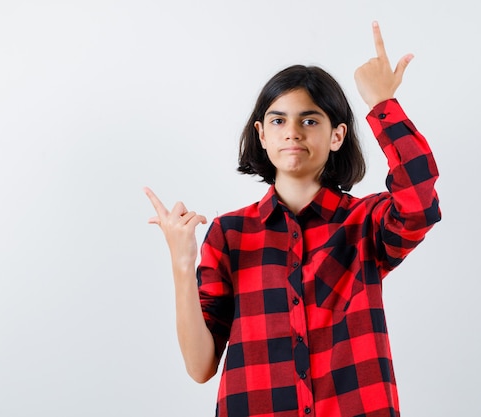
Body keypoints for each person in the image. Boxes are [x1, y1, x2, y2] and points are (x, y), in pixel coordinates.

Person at [145, 21, 440, 417]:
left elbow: (419, 202)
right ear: (262, 134)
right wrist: (182, 264)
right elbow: (200, 367)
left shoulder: (365, 223)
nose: (293, 133)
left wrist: (381, 104)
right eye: (278, 120)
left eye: (310, 120)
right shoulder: (230, 234)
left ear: (336, 136)